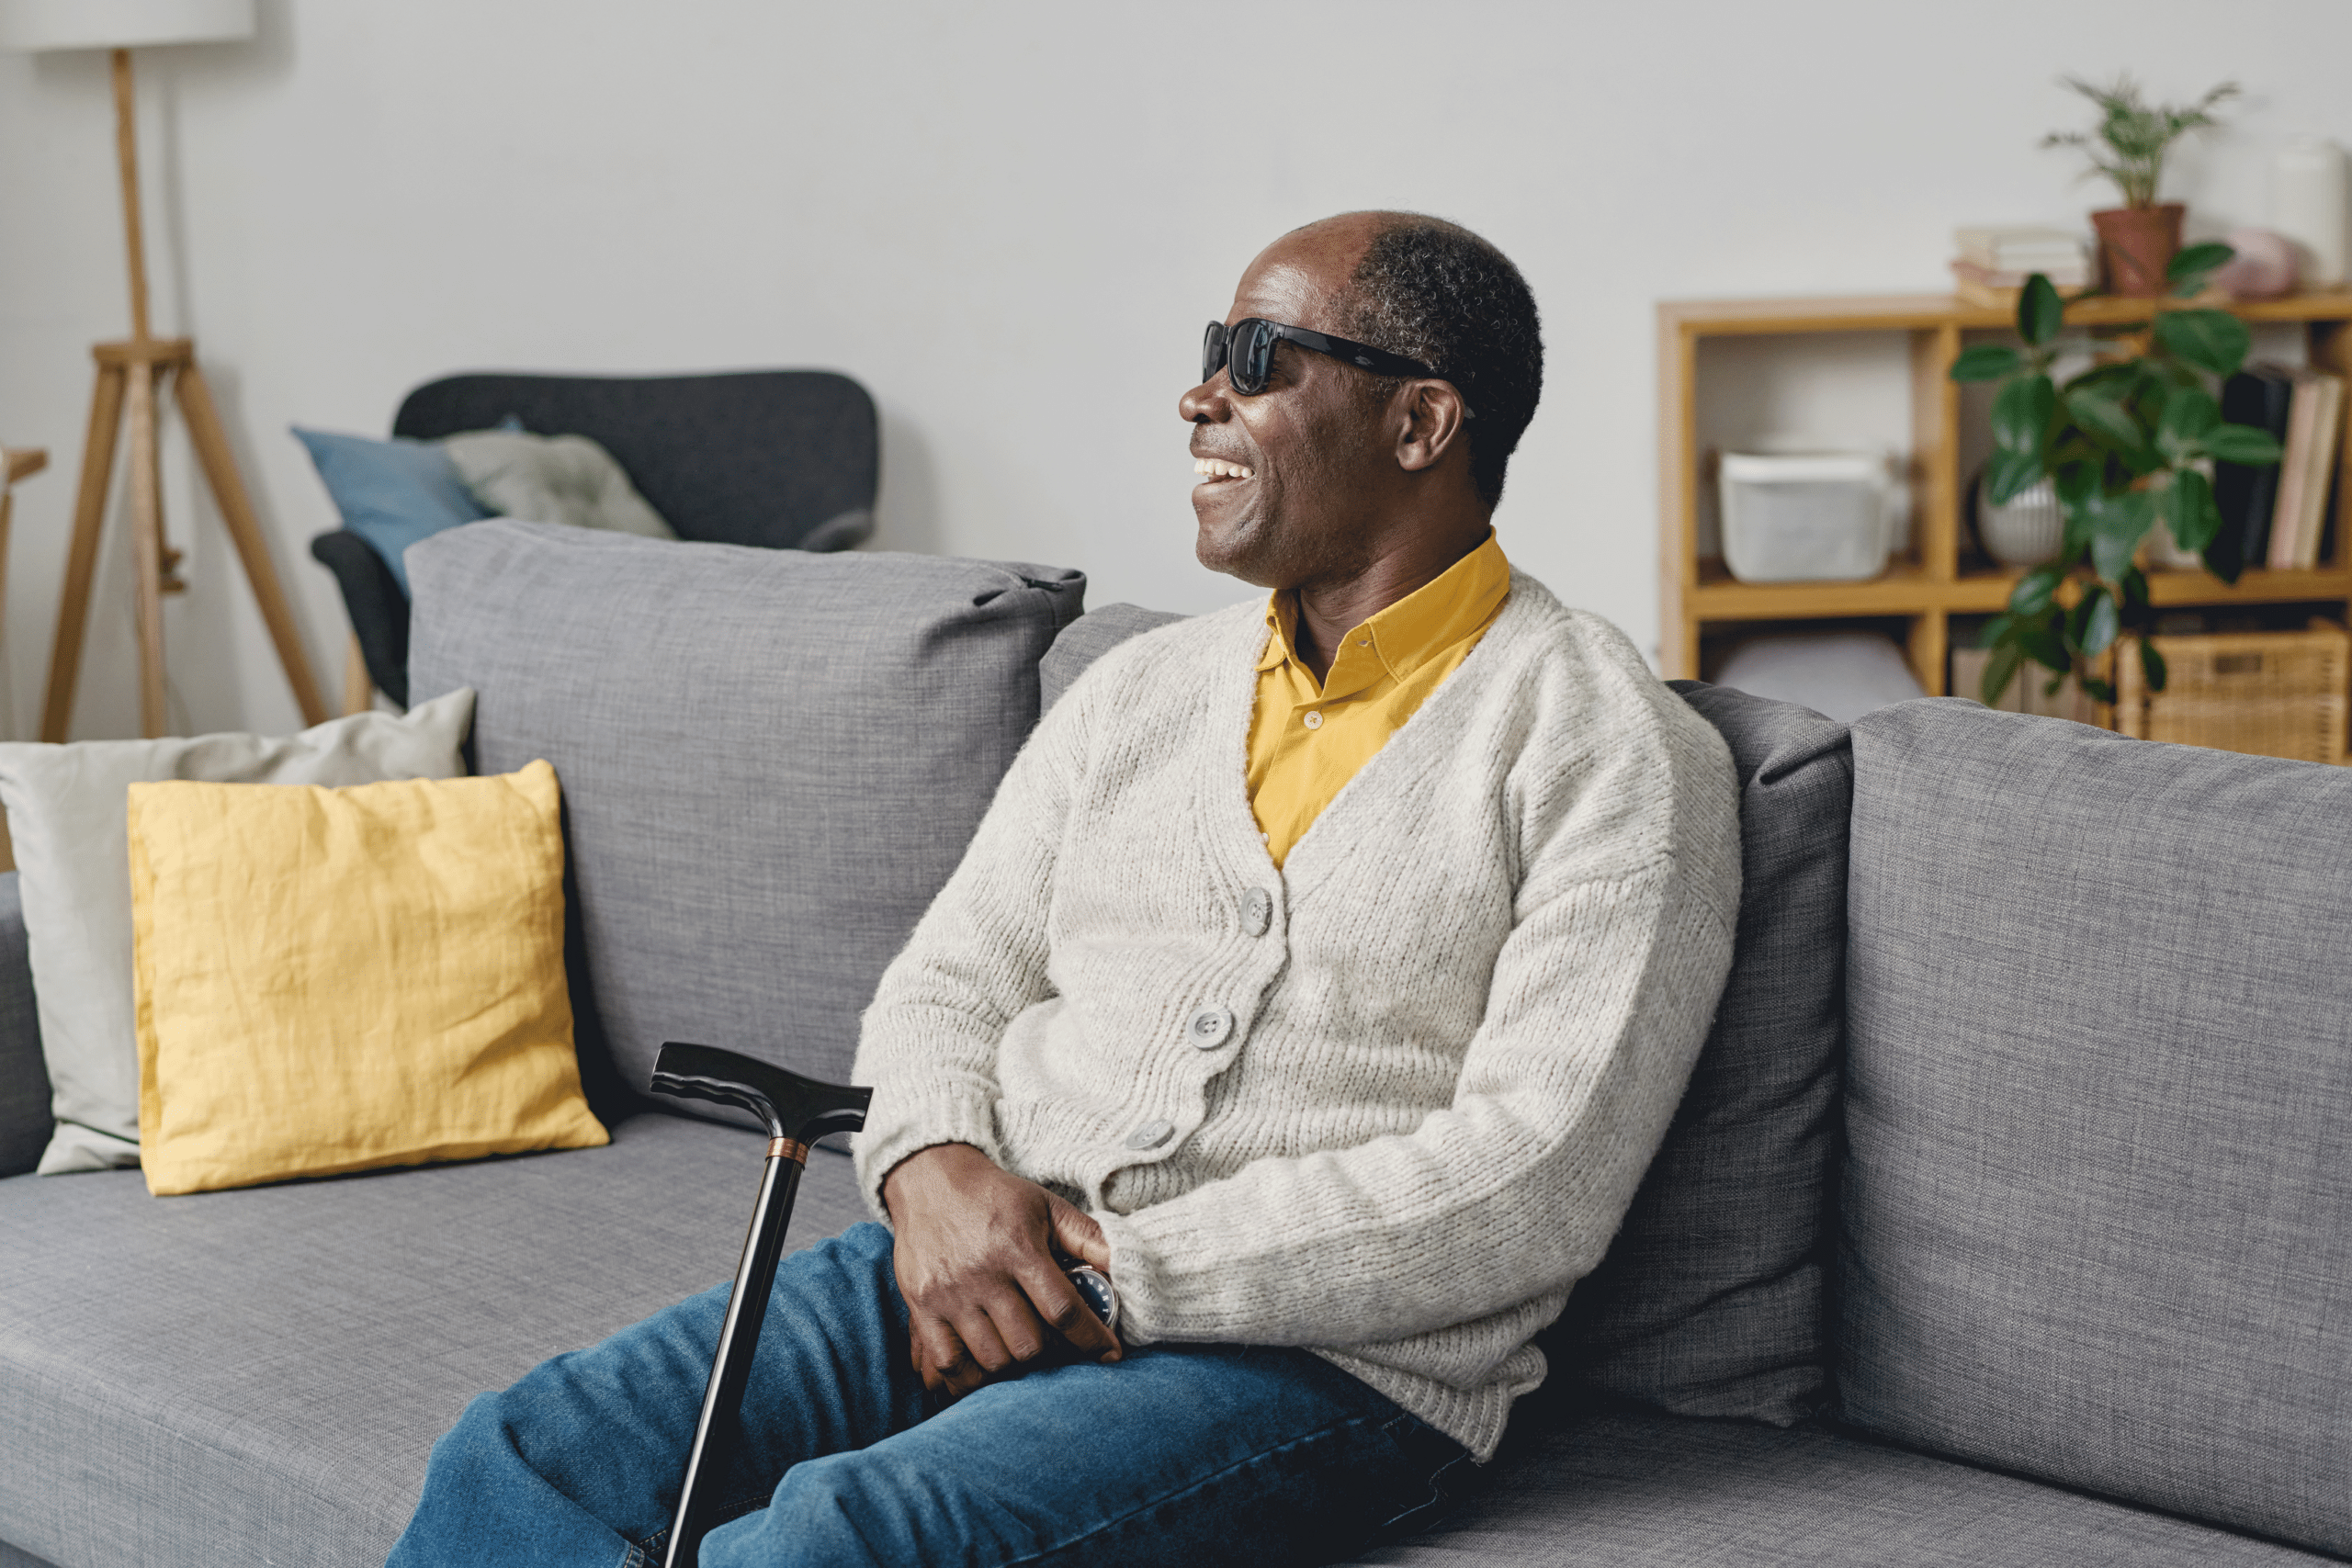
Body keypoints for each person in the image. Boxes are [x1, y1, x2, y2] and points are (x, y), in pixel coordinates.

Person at [386, 211, 1741, 1568]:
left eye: (1254, 357)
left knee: (827, 1546)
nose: (1199, 394)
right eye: (1211, 353)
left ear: (1420, 423)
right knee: (526, 1459)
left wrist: (1121, 1272)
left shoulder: (1610, 749)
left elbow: (1530, 1178)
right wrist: (928, 1165)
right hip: (977, 1255)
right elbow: (951, 977)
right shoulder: (1140, 693)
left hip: (1317, 1361)